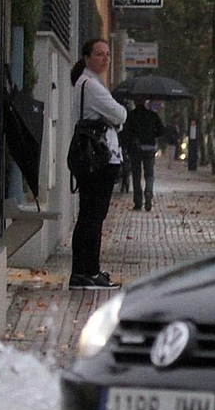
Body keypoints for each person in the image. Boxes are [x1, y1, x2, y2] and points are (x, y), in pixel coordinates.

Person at [69, 39, 126, 289]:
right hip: (98, 158)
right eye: (99, 54)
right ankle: (87, 272)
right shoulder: (91, 85)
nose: (105, 59)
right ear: (86, 57)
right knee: (92, 217)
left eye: (107, 54)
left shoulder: (90, 83)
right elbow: (121, 114)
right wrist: (115, 117)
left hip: (93, 157)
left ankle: (87, 270)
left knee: (91, 216)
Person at [120, 99, 164, 211]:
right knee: (149, 173)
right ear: (145, 103)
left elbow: (125, 132)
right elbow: (161, 130)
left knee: (136, 174)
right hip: (149, 147)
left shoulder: (131, 116)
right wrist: (152, 134)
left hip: (135, 148)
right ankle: (148, 191)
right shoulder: (152, 115)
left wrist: (127, 145)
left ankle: (138, 201)